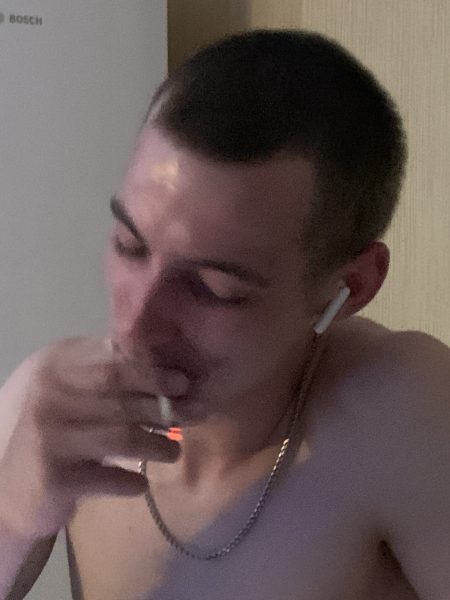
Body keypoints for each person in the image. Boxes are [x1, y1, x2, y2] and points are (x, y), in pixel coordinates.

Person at [1, 29, 449, 600]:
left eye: (213, 289)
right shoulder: (51, 412)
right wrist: (12, 519)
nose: (138, 326)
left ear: (350, 287)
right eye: (130, 246)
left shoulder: (402, 412)